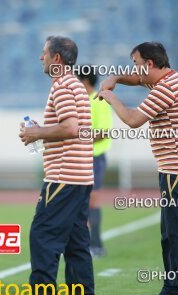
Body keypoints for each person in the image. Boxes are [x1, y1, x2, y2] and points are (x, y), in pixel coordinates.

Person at [97, 42, 178, 295]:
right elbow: (135, 79)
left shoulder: (166, 88)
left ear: (149, 64)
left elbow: (133, 120)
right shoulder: (166, 79)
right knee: (169, 233)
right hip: (174, 168)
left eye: (136, 63)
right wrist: (116, 78)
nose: (134, 69)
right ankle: (172, 291)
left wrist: (110, 96)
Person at [13, 36, 96, 295]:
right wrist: (42, 131)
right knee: (75, 240)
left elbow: (70, 128)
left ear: (56, 58)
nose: (41, 57)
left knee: (43, 234)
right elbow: (71, 128)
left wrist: (37, 132)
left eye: (44, 53)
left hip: (63, 176)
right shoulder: (74, 84)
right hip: (81, 175)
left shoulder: (62, 85)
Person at [76, 67, 113, 258]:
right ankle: (83, 244)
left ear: (85, 81)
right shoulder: (80, 102)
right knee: (78, 202)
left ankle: (96, 245)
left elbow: (103, 132)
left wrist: (76, 139)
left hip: (94, 157)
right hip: (81, 156)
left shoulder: (98, 101)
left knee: (92, 202)